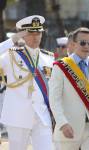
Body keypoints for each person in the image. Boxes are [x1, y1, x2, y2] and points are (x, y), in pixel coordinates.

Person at [0, 15, 54, 150]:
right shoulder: (11, 55)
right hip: (17, 116)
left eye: (38, 33)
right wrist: (13, 39)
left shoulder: (48, 58)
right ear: (23, 35)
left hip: (42, 116)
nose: (35, 37)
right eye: (31, 33)